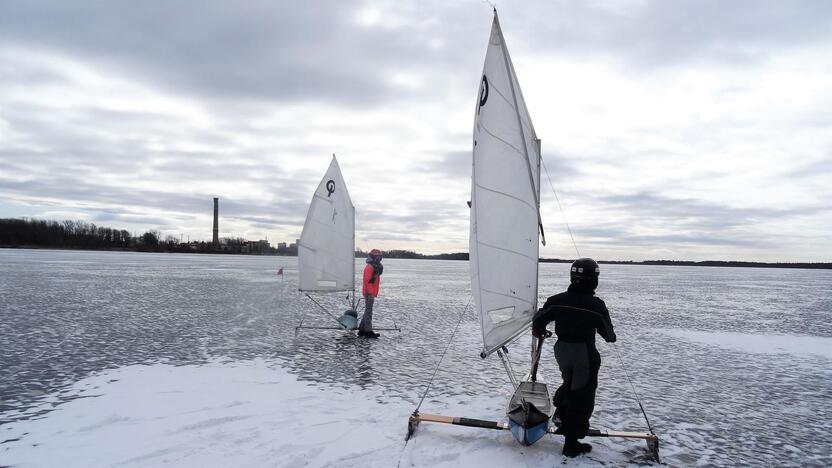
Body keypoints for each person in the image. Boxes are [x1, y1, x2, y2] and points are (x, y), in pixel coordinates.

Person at [532, 258, 616, 458]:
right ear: (593, 279)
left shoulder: (556, 300)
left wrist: (540, 330)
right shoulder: (596, 305)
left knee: (570, 384)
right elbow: (609, 336)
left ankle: (561, 413)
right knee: (582, 396)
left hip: (562, 351)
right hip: (584, 354)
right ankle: (571, 444)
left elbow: (538, 321)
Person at [358, 249, 383, 338]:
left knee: (367, 311)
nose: (379, 258)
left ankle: (361, 329)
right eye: (377, 256)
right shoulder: (370, 267)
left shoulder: (376, 267)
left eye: (380, 257)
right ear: (373, 257)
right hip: (369, 293)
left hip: (371, 292)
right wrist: (371, 293)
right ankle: (368, 331)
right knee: (369, 312)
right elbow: (368, 281)